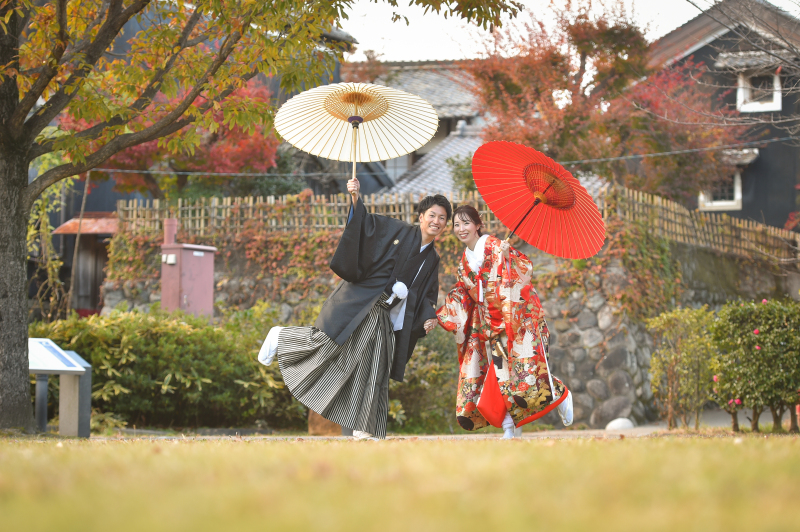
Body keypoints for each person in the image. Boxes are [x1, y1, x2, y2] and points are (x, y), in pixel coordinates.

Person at [257, 177, 450, 440]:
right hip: (364, 299)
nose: (436, 222)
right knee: (327, 345)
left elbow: (428, 295)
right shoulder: (397, 230)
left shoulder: (433, 258)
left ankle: (364, 427)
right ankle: (282, 336)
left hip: (384, 315)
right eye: (432, 215)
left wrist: (429, 317)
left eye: (442, 218)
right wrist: (356, 198)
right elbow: (366, 226)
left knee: (375, 367)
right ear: (420, 216)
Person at [437, 205, 573, 439]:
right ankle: (511, 426)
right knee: (502, 376)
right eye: (456, 225)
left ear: (478, 225)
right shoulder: (465, 260)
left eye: (466, 223)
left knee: (525, 373)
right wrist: (443, 313)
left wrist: (508, 258)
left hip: (513, 318)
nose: (461, 229)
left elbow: (523, 268)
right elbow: (464, 291)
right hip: (489, 322)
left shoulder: (495, 245)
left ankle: (560, 393)